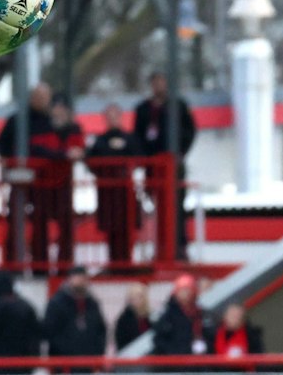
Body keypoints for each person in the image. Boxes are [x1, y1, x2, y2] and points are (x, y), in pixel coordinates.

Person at [133, 72, 196, 254]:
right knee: (155, 207)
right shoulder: (144, 109)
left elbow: (190, 131)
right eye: (155, 82)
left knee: (176, 206)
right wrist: (144, 158)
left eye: (161, 82)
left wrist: (180, 153)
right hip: (152, 166)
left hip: (173, 166)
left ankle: (179, 246)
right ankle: (159, 247)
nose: (158, 86)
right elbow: (137, 136)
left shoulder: (178, 107)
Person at [0, 83, 53, 268]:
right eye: (38, 97)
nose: (41, 101)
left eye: (45, 97)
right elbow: (2, 146)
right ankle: (13, 263)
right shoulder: (16, 121)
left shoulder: (51, 121)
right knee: (16, 222)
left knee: (41, 223)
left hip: (46, 182)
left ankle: (40, 264)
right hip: (20, 180)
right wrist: (9, 167)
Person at [30, 98, 84, 273]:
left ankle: (64, 266)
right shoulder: (41, 127)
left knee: (66, 226)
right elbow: (37, 150)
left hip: (64, 184)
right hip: (42, 184)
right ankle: (40, 266)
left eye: (62, 109)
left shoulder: (75, 129)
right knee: (40, 227)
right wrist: (63, 155)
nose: (58, 113)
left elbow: (79, 150)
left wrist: (65, 155)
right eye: (56, 109)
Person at [88, 103, 141, 268]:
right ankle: (113, 263)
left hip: (125, 190)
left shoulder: (130, 139)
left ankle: (127, 262)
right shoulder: (99, 141)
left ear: (120, 117)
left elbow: (139, 157)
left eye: (115, 115)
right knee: (111, 228)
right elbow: (90, 161)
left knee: (127, 227)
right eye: (108, 116)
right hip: (107, 191)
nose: (112, 119)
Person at [42, 267, 106, 362]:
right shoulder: (57, 303)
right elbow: (50, 331)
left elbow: (100, 330)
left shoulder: (92, 304)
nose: (81, 281)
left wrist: (97, 352)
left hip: (89, 361)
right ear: (69, 279)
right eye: (78, 278)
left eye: (84, 278)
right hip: (63, 361)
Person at [151, 273, 208, 359]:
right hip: (173, 364)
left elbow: (209, 336)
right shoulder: (167, 315)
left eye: (188, 289)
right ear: (176, 292)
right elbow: (159, 339)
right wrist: (173, 354)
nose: (186, 293)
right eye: (182, 290)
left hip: (196, 363)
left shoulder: (200, 314)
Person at [114, 280, 152, 352]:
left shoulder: (151, 317)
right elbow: (121, 342)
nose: (136, 300)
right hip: (130, 357)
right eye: (133, 297)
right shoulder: (124, 320)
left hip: (149, 357)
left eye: (139, 297)